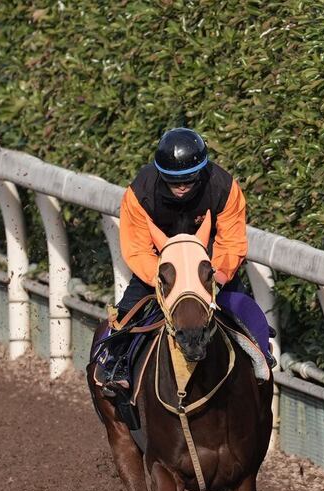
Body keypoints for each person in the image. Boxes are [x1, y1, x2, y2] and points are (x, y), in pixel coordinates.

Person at [98, 127, 254, 393]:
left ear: (202, 172)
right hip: (162, 272)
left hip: (208, 270)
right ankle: (115, 364)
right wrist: (161, 279)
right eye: (173, 180)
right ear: (161, 174)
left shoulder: (224, 187)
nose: (182, 187)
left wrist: (218, 275)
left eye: (189, 179)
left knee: (249, 313)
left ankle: (260, 362)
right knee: (126, 313)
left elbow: (232, 241)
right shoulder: (140, 192)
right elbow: (136, 248)